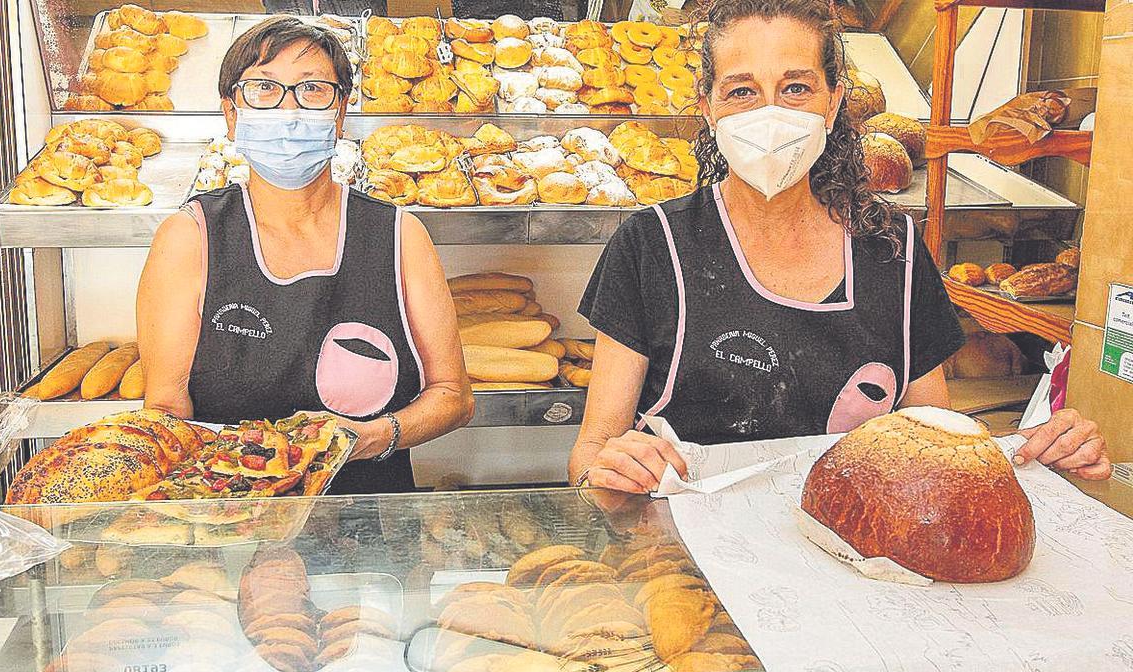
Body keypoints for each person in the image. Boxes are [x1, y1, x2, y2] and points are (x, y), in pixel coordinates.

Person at [568, 0, 1111, 493]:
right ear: (708, 109)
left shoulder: (892, 249)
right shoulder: (650, 246)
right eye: (741, 90)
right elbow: (589, 454)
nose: (769, 112)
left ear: (834, 104)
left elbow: (939, 443)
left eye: (796, 88)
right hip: (689, 566)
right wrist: (610, 466)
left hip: (858, 554)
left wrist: (1039, 450)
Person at [137, 16, 474, 494]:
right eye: (264, 89)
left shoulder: (398, 236)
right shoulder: (191, 239)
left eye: (313, 89)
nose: (288, 110)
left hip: (371, 523)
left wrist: (375, 437)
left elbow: (454, 396)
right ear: (231, 114)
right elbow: (168, 412)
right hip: (233, 522)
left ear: (339, 115)